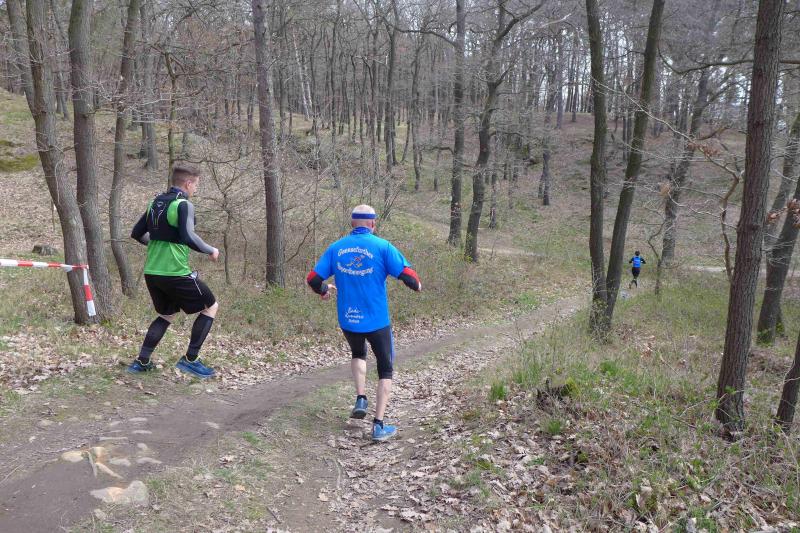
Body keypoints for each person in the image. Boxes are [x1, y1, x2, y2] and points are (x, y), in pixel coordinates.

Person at [306, 205, 422, 442]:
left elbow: (313, 279)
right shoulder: (383, 247)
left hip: (349, 319)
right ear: (373, 224)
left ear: (352, 224)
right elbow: (409, 276)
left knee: (358, 353)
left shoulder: (336, 248)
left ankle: (361, 398)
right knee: (385, 368)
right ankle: (378, 426)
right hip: (377, 320)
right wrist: (417, 285)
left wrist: (323, 290)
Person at [127, 165, 220, 378]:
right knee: (211, 306)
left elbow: (137, 233)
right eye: (196, 185)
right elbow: (188, 236)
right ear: (188, 183)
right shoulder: (183, 204)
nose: (196, 189)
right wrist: (210, 250)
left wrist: (158, 244)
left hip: (152, 272)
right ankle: (191, 360)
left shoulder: (155, 202)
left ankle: (142, 361)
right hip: (175, 272)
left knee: (167, 314)